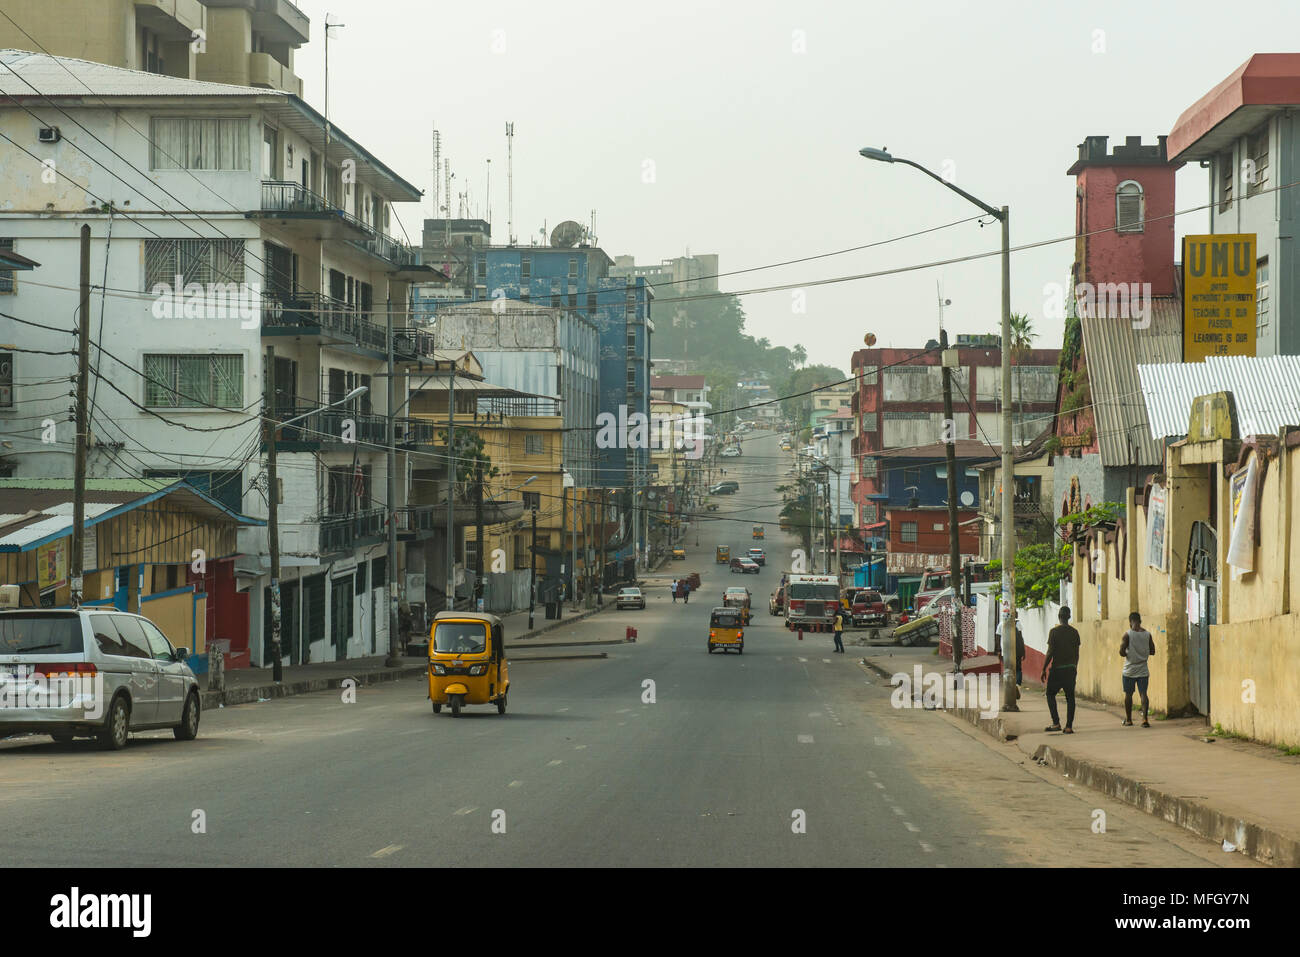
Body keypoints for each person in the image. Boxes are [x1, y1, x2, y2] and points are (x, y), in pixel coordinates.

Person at [1042, 606, 1081, 733]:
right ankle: (1069, 726)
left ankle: (1056, 723)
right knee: (1070, 697)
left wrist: (1043, 668)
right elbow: (1077, 653)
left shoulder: (1054, 632)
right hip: (1070, 669)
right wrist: (1074, 666)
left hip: (1057, 669)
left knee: (1050, 694)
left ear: (1059, 616)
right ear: (1069, 617)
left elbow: (1050, 652)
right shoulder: (1074, 632)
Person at [1120, 611, 1156, 728]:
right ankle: (1145, 719)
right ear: (1140, 621)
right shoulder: (1147, 634)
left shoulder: (1127, 634)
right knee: (1143, 694)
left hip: (1129, 669)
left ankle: (1129, 720)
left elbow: (1121, 652)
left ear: (1130, 622)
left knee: (1128, 695)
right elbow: (1153, 651)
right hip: (1143, 668)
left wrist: (1129, 652)